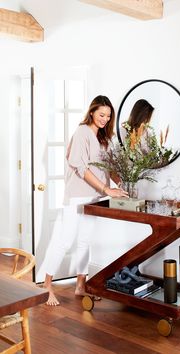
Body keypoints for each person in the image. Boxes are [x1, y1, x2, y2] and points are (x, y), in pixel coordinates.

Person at [43, 95, 128, 306]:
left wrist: (123, 183)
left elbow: (107, 167)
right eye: (101, 115)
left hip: (95, 197)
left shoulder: (103, 138)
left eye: (108, 116)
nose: (105, 119)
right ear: (91, 112)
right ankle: (46, 286)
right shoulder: (82, 132)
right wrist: (107, 188)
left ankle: (81, 285)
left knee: (84, 241)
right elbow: (82, 169)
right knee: (65, 241)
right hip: (78, 195)